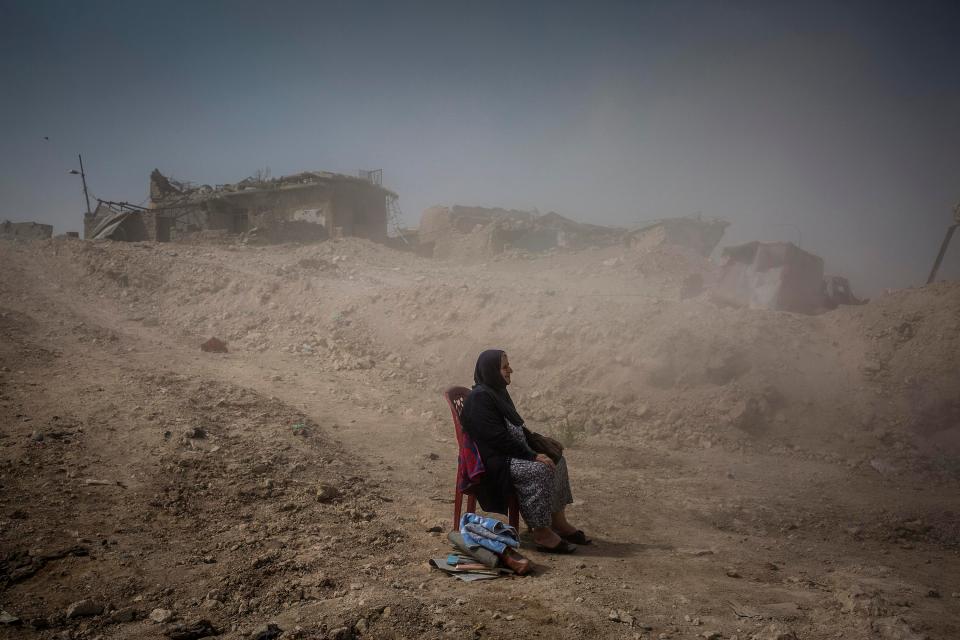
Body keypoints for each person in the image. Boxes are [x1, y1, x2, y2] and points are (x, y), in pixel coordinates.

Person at [461, 349, 590, 553]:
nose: (510, 370)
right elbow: (498, 439)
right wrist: (532, 455)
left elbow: (516, 427)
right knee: (540, 469)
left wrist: (539, 445)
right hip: (495, 462)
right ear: (491, 370)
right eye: (504, 367)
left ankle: (558, 522)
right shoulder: (480, 399)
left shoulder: (497, 392)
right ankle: (542, 533)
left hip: (511, 454)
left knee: (557, 460)